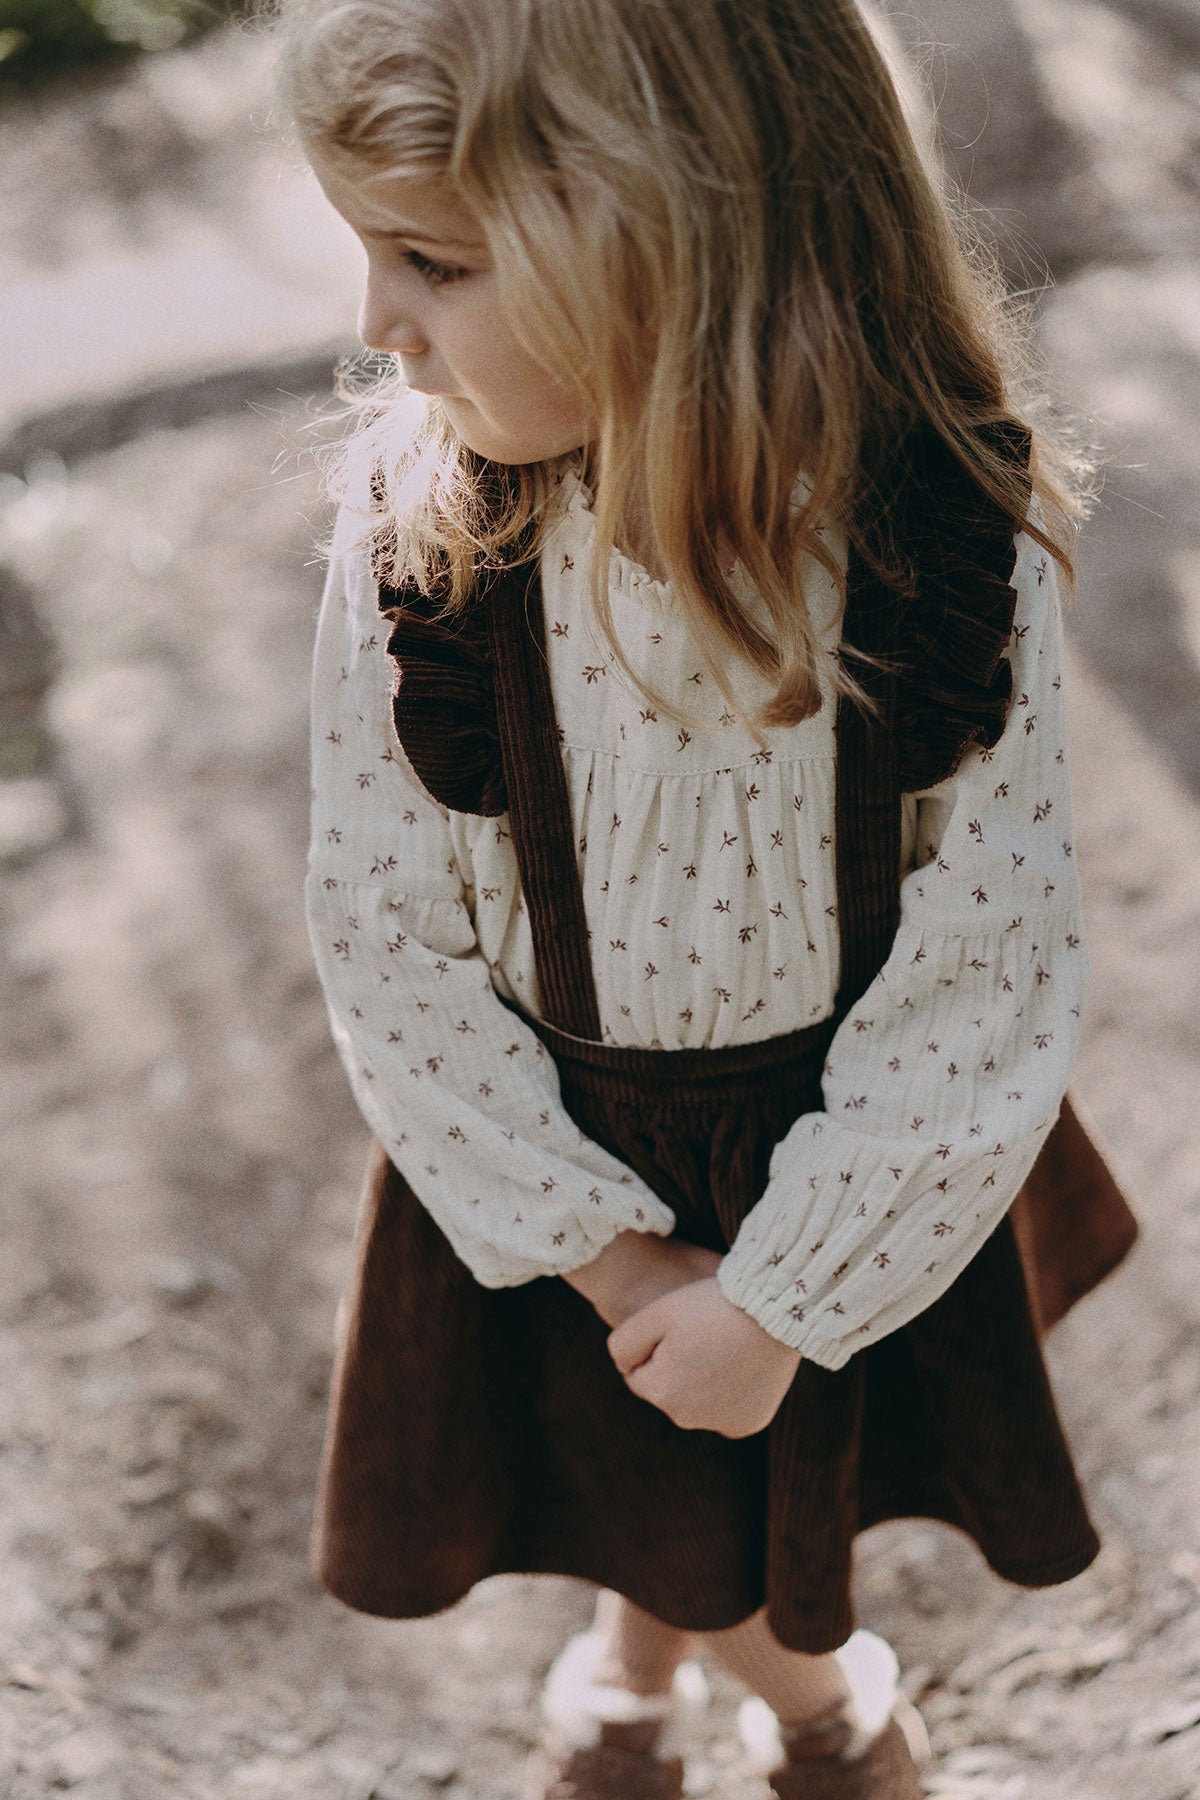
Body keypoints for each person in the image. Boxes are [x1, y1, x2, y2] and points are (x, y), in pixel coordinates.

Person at [277, 1, 1138, 1794]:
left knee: (700, 1460)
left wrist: (789, 1291)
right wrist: (609, 1251)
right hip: (540, 1150)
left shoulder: (937, 542)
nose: (374, 326)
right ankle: (821, 1710)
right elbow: (387, 941)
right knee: (649, 1461)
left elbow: (988, 969)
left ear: (679, 242)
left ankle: (637, 1680)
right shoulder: (419, 545)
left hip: (838, 1133)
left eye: (430, 258)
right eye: (367, 253)